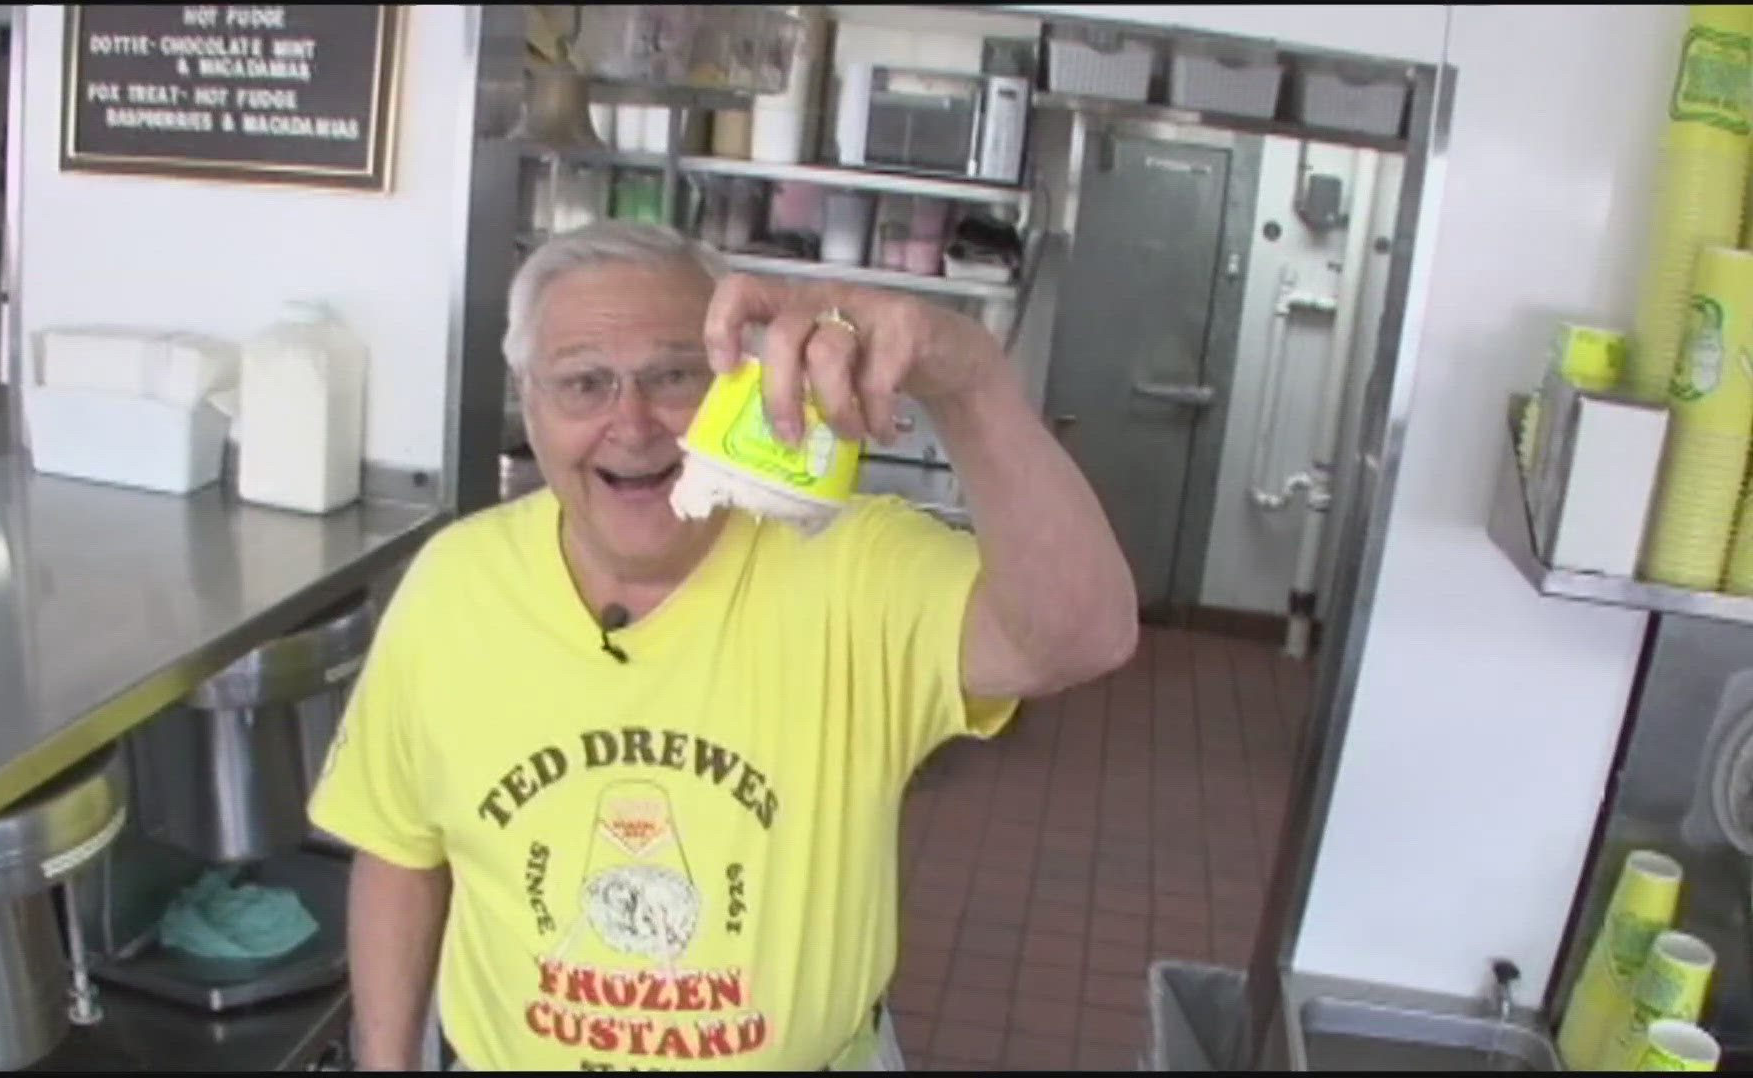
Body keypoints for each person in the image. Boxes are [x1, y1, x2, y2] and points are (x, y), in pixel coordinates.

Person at [309, 221, 1137, 1071]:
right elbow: (400, 849)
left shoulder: (850, 565)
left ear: (738, 375)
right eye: (583, 384)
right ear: (528, 400)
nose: (632, 424)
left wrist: (967, 382)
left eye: (674, 376)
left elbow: (1083, 634)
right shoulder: (455, 585)